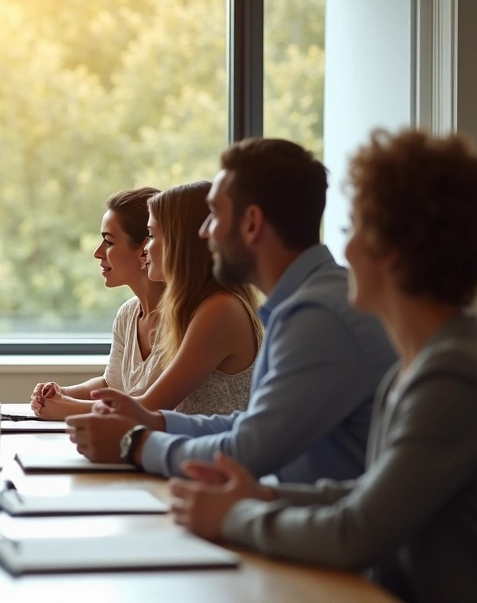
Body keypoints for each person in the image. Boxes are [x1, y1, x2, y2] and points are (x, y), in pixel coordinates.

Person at [170, 129, 477, 603]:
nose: (346, 249)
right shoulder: (421, 365)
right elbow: (365, 495)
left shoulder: (452, 374)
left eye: (354, 228)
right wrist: (266, 500)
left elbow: (356, 532)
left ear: (390, 249)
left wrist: (235, 516)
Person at [68, 138, 396, 484]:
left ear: (252, 223)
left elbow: (249, 449)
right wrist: (156, 423)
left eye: (214, 216)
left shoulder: (318, 316)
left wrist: (134, 444)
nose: (204, 233)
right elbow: (254, 422)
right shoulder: (302, 304)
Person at [34, 182, 261, 420]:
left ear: (180, 242)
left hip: (213, 456)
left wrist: (64, 407)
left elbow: (150, 407)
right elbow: (116, 387)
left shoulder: (220, 310)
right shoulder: (171, 309)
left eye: (152, 236)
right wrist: (61, 397)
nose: (147, 248)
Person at [30, 188, 166, 417]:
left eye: (109, 242)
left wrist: (67, 408)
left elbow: (157, 408)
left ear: (144, 248)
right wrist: (62, 393)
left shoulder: (185, 317)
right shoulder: (128, 313)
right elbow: (111, 385)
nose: (97, 253)